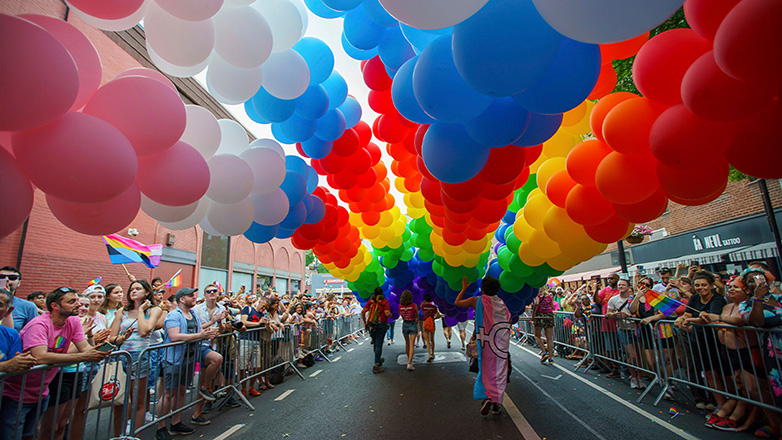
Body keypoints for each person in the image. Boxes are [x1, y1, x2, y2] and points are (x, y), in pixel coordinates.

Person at [0, 287, 110, 440]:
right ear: (55, 306)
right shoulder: (39, 324)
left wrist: (98, 351)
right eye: (72, 301)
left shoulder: (73, 321)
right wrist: (84, 356)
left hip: (41, 391)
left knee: (30, 435)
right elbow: (40, 357)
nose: (78, 305)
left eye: (77, 301)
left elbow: (85, 349)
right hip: (16, 393)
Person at [156, 288, 222, 440]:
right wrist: (200, 335)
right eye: (190, 296)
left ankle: (176, 422)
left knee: (181, 391)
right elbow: (174, 336)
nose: (194, 298)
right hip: (174, 359)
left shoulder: (192, 314)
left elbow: (199, 329)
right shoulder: (173, 315)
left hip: (189, 358)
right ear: (181, 299)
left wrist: (210, 328)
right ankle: (161, 428)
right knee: (168, 393)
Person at [109, 280, 164, 436]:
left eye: (138, 289)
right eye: (131, 289)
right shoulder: (122, 311)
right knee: (121, 398)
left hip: (140, 357)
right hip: (122, 357)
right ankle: (119, 434)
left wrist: (140, 311)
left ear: (146, 292)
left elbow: (144, 331)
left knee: (137, 399)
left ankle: (136, 435)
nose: (133, 291)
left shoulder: (154, 310)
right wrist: (122, 338)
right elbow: (112, 337)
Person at [455, 276, 509, 416]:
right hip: (500, 344)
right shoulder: (501, 303)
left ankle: (487, 397)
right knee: (499, 371)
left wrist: (464, 289)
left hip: (485, 343)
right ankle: (495, 402)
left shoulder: (477, 301)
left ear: (483, 288)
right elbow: (507, 320)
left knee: (485, 369)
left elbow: (457, 302)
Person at [738, 267, 782, 439]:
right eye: (751, 280)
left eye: (760, 277)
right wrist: (757, 298)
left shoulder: (779, 298)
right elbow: (756, 321)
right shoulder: (746, 304)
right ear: (746, 287)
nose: (757, 281)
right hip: (774, 352)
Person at [674, 271, 728, 410]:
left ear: (711, 285)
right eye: (697, 285)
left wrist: (689, 320)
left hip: (714, 340)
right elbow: (687, 313)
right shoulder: (695, 298)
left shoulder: (717, 299)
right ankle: (719, 404)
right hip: (698, 339)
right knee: (708, 372)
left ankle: (723, 404)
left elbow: (710, 318)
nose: (700, 288)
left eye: (704, 285)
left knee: (718, 373)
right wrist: (682, 318)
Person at [607, 278, 644, 389]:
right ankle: (633, 377)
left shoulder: (635, 299)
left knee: (639, 355)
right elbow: (608, 314)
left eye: (623, 285)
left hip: (636, 328)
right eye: (619, 285)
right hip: (623, 329)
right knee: (632, 355)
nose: (621, 286)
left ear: (628, 287)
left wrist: (629, 316)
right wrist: (615, 315)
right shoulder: (613, 300)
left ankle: (640, 378)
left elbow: (640, 313)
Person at [0, 289, 37, 374]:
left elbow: (14, 365)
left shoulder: (11, 334)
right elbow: (8, 365)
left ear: (8, 311)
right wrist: (4, 366)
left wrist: (22, 362)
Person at [239, 296, 267, 396]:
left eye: (265, 307)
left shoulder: (262, 315)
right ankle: (243, 389)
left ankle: (251, 387)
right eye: (263, 306)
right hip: (245, 340)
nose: (263, 308)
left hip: (256, 341)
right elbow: (244, 322)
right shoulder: (248, 309)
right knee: (243, 366)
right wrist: (258, 323)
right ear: (259, 302)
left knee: (257, 366)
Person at [0, 266, 39, 333]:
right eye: (1, 277)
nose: (7, 280)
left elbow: (30, 333)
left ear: (19, 283)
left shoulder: (28, 306)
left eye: (12, 277)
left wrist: (7, 297)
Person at [361, 288, 391, 374]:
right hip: (381, 325)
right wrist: (390, 315)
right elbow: (387, 313)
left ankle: (378, 359)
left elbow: (363, 311)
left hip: (371, 325)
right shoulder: (384, 302)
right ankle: (376, 364)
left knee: (375, 343)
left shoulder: (371, 302)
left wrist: (365, 322)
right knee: (379, 344)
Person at [532, 287, 555, 365]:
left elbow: (537, 303)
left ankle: (544, 352)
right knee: (549, 338)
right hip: (549, 315)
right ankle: (551, 357)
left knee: (537, 335)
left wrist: (533, 314)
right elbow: (552, 306)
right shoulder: (549, 296)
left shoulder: (537, 295)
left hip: (540, 315)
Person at [397, 290, 418, 371]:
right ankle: (409, 363)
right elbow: (416, 315)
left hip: (405, 324)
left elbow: (401, 315)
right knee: (412, 344)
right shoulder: (414, 305)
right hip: (412, 323)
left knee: (407, 343)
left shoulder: (400, 306)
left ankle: (409, 359)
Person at [420, 294, 440, 362]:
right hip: (431, 322)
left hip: (425, 322)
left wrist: (424, 301)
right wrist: (434, 318)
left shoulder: (423, 306)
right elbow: (438, 315)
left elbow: (420, 306)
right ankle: (433, 353)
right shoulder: (434, 307)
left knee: (427, 340)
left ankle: (429, 354)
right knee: (432, 339)